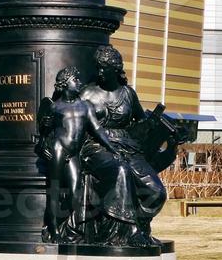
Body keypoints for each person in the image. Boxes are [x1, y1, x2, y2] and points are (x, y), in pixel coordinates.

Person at [78, 45, 184, 247]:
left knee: (156, 191)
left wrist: (166, 136)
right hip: (97, 146)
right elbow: (77, 126)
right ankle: (128, 232)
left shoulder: (128, 94)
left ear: (116, 70)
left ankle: (142, 227)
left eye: (104, 68)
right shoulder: (87, 94)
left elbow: (141, 124)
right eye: (98, 67)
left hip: (129, 146)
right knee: (121, 171)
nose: (99, 72)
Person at [37, 67, 118, 243]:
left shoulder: (85, 106)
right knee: (55, 193)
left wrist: (112, 148)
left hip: (73, 154)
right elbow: (43, 133)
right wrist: (44, 128)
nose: (79, 83)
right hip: (58, 151)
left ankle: (54, 224)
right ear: (66, 83)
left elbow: (97, 129)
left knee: (75, 195)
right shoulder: (55, 106)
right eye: (76, 80)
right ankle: (54, 230)